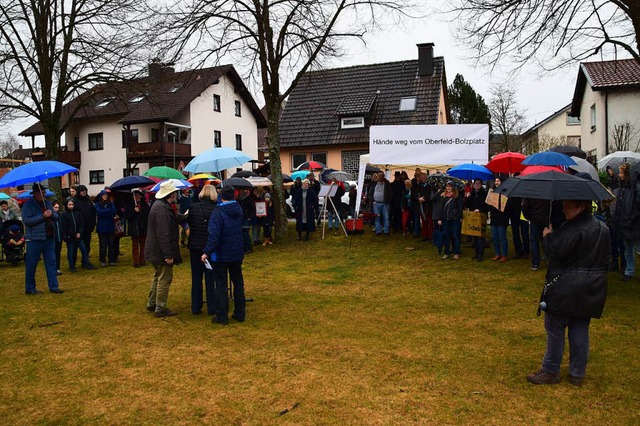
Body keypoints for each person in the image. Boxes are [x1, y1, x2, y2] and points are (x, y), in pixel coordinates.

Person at [527, 199, 609, 386]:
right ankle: (577, 373)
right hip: (591, 287)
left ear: (580, 206)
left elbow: (556, 252)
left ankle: (550, 370)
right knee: (580, 327)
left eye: (568, 205)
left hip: (567, 286)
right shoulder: (602, 227)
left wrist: (547, 236)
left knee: (554, 326)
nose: (563, 208)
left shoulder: (572, 228)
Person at [202, 186, 246, 325]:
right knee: (237, 283)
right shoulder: (238, 210)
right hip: (236, 252)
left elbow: (214, 235)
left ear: (222, 197)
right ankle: (240, 312)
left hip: (221, 255)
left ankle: (222, 315)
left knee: (220, 285)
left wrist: (207, 252)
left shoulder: (218, 213)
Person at [144, 181, 183, 317]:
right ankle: (160, 308)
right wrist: (168, 254)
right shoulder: (162, 209)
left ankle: (152, 303)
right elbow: (163, 233)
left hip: (155, 250)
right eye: (174, 193)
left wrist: (182, 217)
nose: (176, 195)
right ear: (170, 194)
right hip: (160, 251)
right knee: (164, 279)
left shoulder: (160, 206)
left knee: (157, 277)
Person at [22, 183, 64, 294]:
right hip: (34, 240)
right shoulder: (28, 205)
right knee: (31, 264)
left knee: (51, 263)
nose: (44, 194)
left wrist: (51, 214)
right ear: (35, 193)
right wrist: (43, 216)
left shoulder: (48, 203)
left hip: (49, 238)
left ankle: (54, 286)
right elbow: (27, 221)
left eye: (44, 192)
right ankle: (30, 288)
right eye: (42, 192)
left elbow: (56, 217)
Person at [187, 185, 217, 315]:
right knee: (210, 278)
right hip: (209, 247)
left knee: (196, 277)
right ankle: (212, 306)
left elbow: (187, 221)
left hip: (195, 246)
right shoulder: (216, 210)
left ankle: (196, 306)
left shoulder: (193, 208)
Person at [612, 162, 640, 280]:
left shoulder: (635, 188)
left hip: (634, 223)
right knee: (628, 248)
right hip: (625, 222)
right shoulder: (623, 188)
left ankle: (629, 271)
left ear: (626, 174)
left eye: (621, 173)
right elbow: (620, 205)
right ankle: (629, 271)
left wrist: (631, 218)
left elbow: (638, 205)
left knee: (637, 248)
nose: (619, 175)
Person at [60, 197, 96, 272]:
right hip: (70, 237)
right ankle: (72, 266)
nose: (71, 206)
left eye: (72, 205)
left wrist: (79, 232)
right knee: (71, 252)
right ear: (66, 205)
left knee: (84, 250)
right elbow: (66, 226)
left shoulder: (77, 213)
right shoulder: (64, 215)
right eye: (69, 205)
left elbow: (82, 223)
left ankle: (86, 263)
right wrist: (74, 234)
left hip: (79, 236)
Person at [433, 181, 463, 260]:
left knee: (455, 235)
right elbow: (441, 208)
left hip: (454, 219)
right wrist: (439, 218)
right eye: (447, 186)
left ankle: (456, 252)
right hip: (445, 219)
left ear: (453, 187)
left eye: (450, 186)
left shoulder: (457, 196)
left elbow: (460, 208)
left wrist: (458, 216)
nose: (449, 188)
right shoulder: (443, 196)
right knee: (446, 235)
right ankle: (447, 252)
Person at [123, 190, 150, 268]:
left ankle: (142, 260)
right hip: (134, 228)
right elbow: (126, 216)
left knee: (143, 245)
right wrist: (134, 211)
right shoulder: (129, 205)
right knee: (135, 245)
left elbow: (147, 215)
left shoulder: (145, 205)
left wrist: (140, 211)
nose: (137, 197)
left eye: (138, 195)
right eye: (135, 196)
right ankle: (136, 261)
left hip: (143, 227)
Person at [465, 178, 488, 261]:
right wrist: (467, 197)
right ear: (473, 185)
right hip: (473, 217)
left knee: (480, 236)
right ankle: (476, 253)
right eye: (475, 183)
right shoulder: (472, 193)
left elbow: (487, 206)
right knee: (474, 235)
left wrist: (479, 209)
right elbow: (467, 205)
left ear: (481, 184)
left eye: (478, 183)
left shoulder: (485, 193)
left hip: (481, 216)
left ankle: (481, 254)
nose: (477, 185)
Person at [488, 177, 509, 262]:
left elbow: (507, 206)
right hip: (494, 217)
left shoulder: (505, 192)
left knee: (502, 237)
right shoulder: (492, 192)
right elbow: (488, 204)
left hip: (502, 218)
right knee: (494, 237)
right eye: (495, 181)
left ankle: (504, 255)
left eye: (498, 181)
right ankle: (497, 254)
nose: (497, 182)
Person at [94, 190, 117, 267]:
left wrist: (106, 211)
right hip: (101, 228)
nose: (105, 196)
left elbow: (113, 212)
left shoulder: (111, 204)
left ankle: (111, 260)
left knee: (111, 244)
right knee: (103, 245)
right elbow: (99, 212)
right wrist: (107, 211)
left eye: (106, 195)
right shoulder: (97, 204)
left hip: (110, 226)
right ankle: (102, 260)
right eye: (104, 195)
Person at [73, 185, 96, 257]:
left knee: (87, 243)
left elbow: (93, 212)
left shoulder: (88, 200)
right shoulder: (75, 201)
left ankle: (85, 259)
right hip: (79, 226)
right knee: (77, 244)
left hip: (88, 225)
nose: (84, 192)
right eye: (82, 191)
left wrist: (93, 223)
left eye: (85, 190)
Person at [372, 171, 392, 236]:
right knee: (377, 217)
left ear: (383, 176)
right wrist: (372, 200)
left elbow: (391, 193)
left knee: (386, 217)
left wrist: (388, 200)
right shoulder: (374, 183)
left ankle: (386, 231)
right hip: (376, 203)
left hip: (385, 203)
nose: (380, 177)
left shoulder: (387, 183)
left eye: (381, 176)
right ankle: (378, 231)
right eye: (379, 176)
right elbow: (371, 191)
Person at [51, 200, 64, 276]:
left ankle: (57, 268)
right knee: (53, 254)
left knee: (58, 253)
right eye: (55, 207)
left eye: (58, 207)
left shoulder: (60, 216)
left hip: (59, 238)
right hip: (53, 238)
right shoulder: (51, 217)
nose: (57, 209)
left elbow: (62, 226)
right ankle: (54, 268)